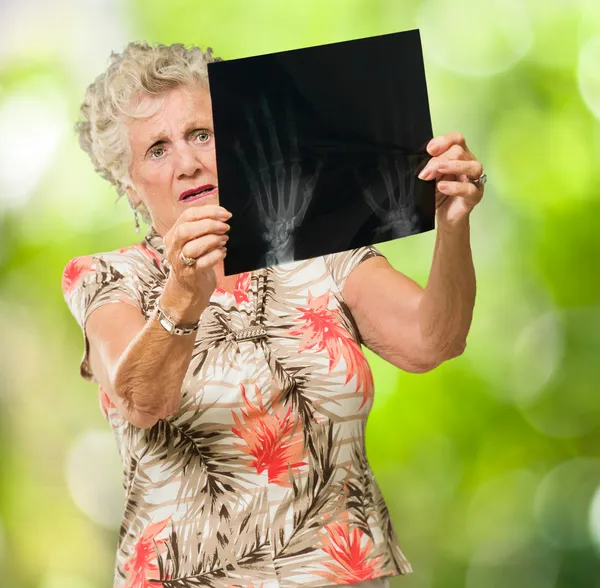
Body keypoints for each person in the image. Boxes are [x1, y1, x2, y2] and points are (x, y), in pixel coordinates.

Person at [61, 41, 485, 588]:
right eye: (157, 149)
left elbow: (435, 341)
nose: (188, 162)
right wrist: (185, 293)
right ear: (128, 181)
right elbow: (142, 400)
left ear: (236, 139)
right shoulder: (108, 276)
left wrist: (453, 223)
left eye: (200, 134)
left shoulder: (320, 248)